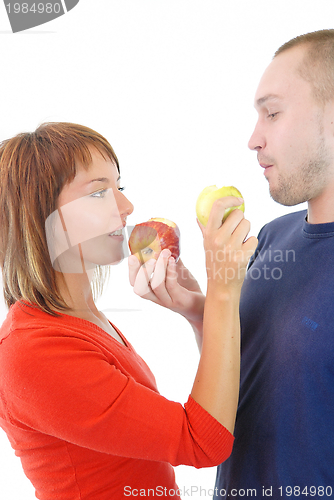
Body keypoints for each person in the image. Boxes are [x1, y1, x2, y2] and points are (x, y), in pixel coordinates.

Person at [0, 122, 257, 500]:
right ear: (41, 216)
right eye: (99, 193)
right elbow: (203, 442)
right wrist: (223, 287)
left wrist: (200, 313)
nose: (126, 207)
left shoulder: (80, 320)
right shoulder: (30, 352)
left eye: (118, 188)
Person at [215, 29, 334, 500]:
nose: (253, 138)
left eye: (274, 112)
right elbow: (258, 368)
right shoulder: (272, 237)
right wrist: (196, 308)